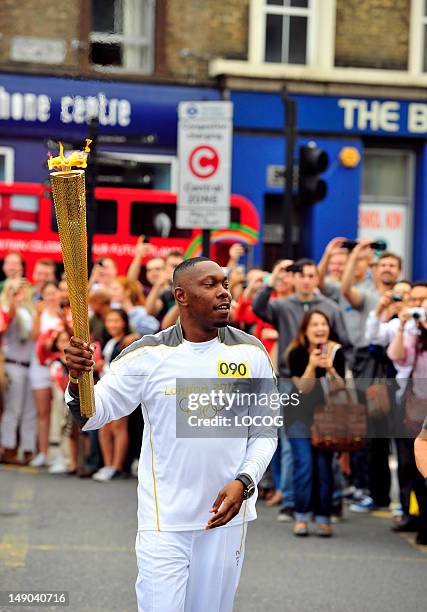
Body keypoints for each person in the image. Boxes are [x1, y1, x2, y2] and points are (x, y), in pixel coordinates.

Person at [65, 257, 277, 612]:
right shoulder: (147, 356)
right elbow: (90, 415)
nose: (224, 293)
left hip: (225, 517)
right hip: (163, 522)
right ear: (181, 295)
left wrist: (245, 481)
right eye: (210, 285)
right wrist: (77, 379)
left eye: (224, 284)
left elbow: (265, 430)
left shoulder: (250, 352)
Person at [285, 310, 346, 537]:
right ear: (305, 330)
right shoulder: (296, 353)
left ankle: (323, 517)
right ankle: (301, 515)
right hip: (298, 418)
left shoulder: (337, 352)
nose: (320, 328)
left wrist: (329, 368)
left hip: (327, 420)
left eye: (324, 324)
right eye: (314, 325)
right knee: (305, 466)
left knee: (324, 468)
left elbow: (341, 387)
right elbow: (302, 389)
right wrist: (312, 365)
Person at [387, 299, 427, 545]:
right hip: (417, 408)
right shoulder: (416, 335)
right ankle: (422, 521)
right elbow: (396, 355)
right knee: (414, 469)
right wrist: (403, 327)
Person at [92, 309, 139, 482]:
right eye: (109, 321)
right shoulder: (109, 341)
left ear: (124, 323)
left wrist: (135, 336)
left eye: (116, 321)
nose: (112, 324)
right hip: (106, 387)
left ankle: (117, 467)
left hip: (121, 389)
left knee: (118, 428)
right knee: (104, 428)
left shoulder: (129, 340)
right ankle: (108, 464)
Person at [0, 278, 36, 464]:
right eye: (14, 289)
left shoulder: (31, 309)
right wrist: (12, 298)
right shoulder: (5, 308)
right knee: (13, 408)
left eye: (22, 288)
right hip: (13, 363)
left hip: (30, 364)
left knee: (29, 410)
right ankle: (8, 448)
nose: (19, 292)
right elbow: (8, 322)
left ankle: (28, 449)